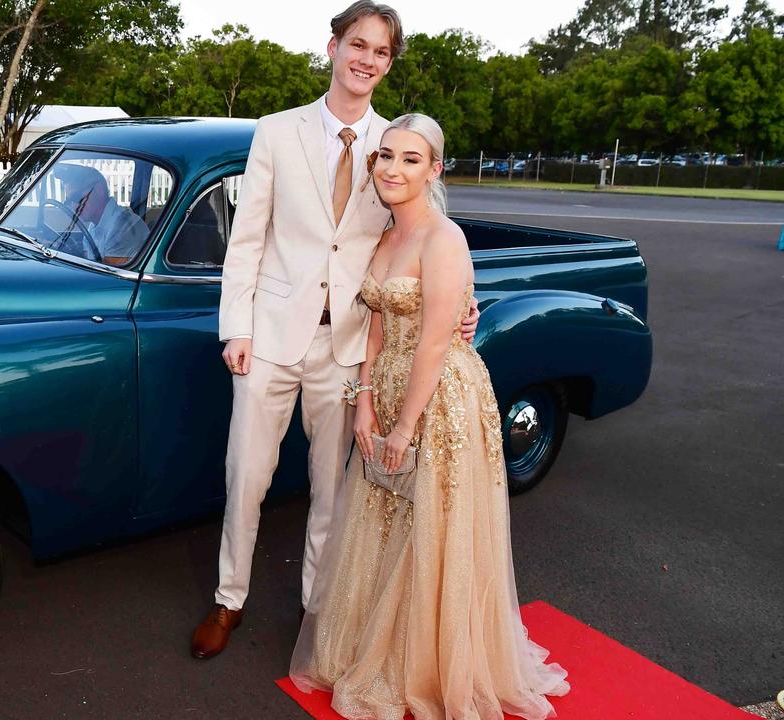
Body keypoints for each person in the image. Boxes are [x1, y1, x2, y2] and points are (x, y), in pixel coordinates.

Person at [191, 1, 479, 660]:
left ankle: (317, 609)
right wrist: (236, 326)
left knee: (333, 490)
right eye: (357, 45)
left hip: (350, 348)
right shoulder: (275, 131)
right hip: (266, 339)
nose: (366, 60)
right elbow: (247, 237)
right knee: (246, 476)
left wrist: (464, 302)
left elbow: (426, 236)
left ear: (386, 64)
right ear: (333, 47)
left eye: (379, 52)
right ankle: (227, 599)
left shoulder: (394, 145)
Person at [288, 113, 570, 719]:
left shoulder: (445, 239)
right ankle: (378, 647)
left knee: (432, 532)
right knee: (384, 525)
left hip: (438, 402)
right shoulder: (385, 236)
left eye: (410, 159)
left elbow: (437, 342)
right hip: (386, 393)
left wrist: (405, 425)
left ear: (435, 169)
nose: (392, 168)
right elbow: (377, 322)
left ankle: (431, 663)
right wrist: (363, 402)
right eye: (385, 156)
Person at [51, 163, 150, 265]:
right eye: (69, 200)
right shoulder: (94, 226)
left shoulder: (121, 228)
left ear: (99, 190)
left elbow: (109, 278)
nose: (74, 206)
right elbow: (89, 264)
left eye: (76, 197)